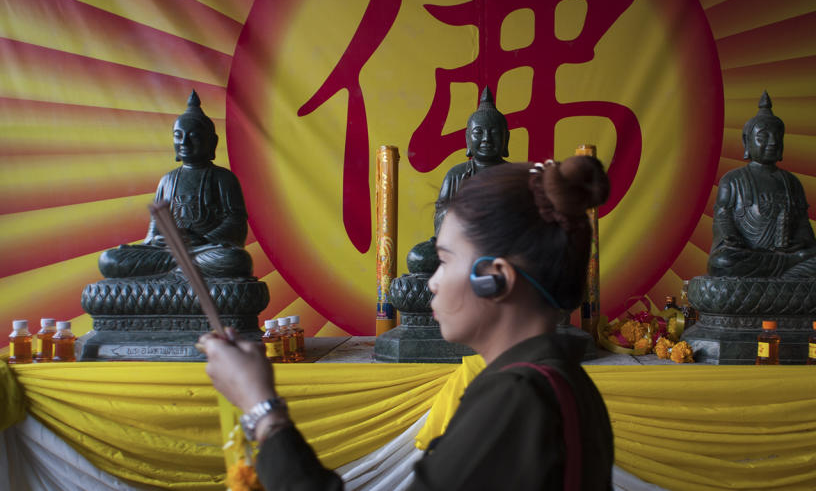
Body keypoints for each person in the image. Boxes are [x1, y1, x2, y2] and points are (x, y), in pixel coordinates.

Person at [200, 155, 614, 490]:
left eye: (446, 260)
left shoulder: (517, 397)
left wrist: (261, 409)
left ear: (495, 278)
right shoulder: (564, 383)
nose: (431, 282)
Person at [98, 91, 253, 279]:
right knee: (109, 259)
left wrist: (203, 240)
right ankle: (180, 270)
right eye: (178, 136)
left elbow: (236, 223)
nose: (184, 142)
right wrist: (160, 240)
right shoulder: (167, 180)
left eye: (193, 136)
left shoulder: (223, 178)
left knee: (235, 259)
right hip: (168, 252)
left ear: (212, 142)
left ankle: (174, 271)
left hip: (204, 250)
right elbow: (155, 230)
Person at [707, 91, 816, 280]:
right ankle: (790, 273)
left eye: (777, 137)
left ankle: (788, 271)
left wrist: (801, 244)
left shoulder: (791, 183)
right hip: (749, 257)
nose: (772, 142)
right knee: (722, 262)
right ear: (747, 142)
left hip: (789, 256)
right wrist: (732, 239)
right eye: (763, 137)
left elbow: (803, 227)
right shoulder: (733, 180)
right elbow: (723, 219)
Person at [433, 86, 510, 234]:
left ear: (506, 138)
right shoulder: (456, 175)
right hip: (464, 247)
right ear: (468, 138)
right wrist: (458, 207)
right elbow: (439, 217)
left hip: (503, 249)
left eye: (494, 133)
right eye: (478, 132)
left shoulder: (515, 176)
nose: (486, 139)